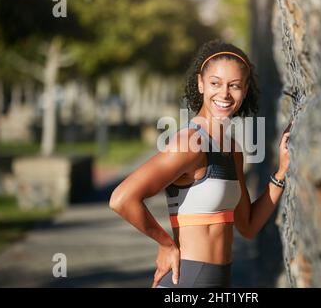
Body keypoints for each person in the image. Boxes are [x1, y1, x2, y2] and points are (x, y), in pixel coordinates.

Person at [109, 39, 290, 288]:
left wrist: (282, 172)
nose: (224, 94)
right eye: (215, 83)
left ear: (245, 89)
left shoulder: (232, 150)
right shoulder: (189, 142)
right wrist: (165, 243)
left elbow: (248, 226)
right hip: (184, 281)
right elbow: (122, 198)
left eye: (234, 85)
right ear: (201, 84)